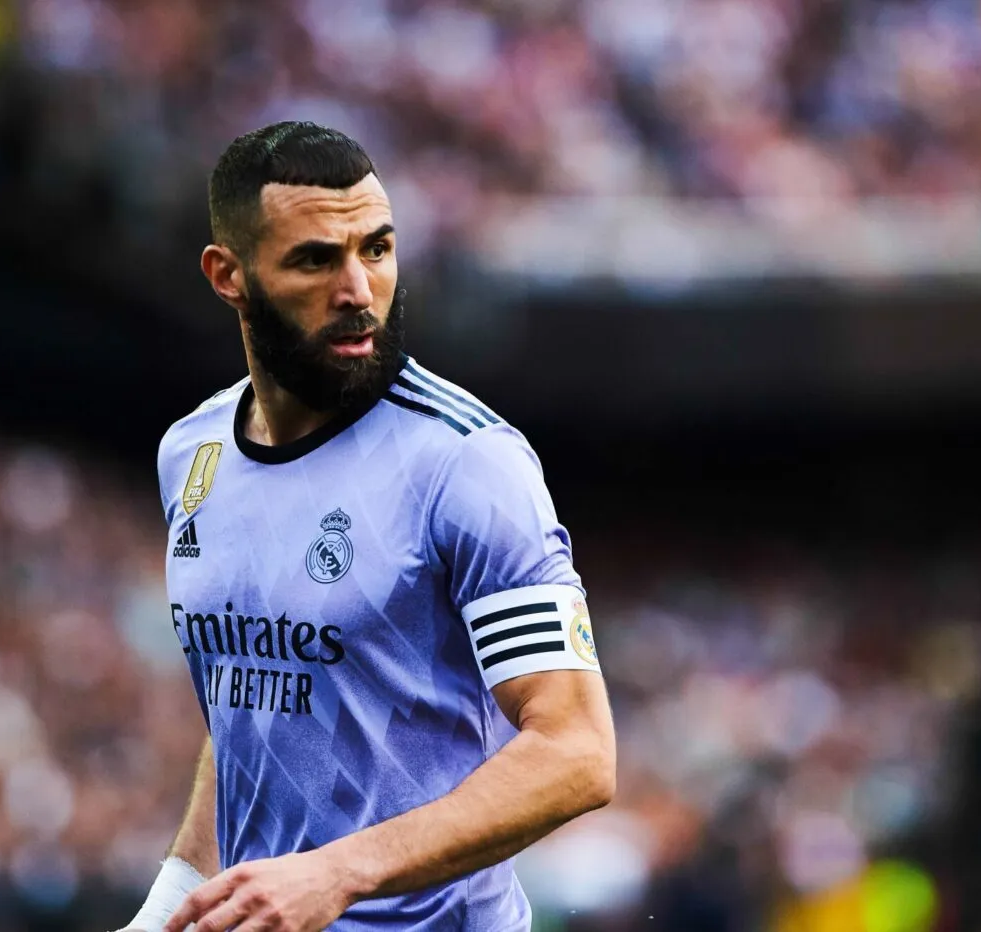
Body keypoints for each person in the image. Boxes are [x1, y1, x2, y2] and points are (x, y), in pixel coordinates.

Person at [119, 121, 615, 932]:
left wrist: (341, 872)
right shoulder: (193, 451)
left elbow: (577, 753)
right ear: (228, 276)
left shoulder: (465, 461)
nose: (358, 290)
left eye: (377, 250)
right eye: (316, 260)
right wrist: (171, 901)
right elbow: (256, 707)